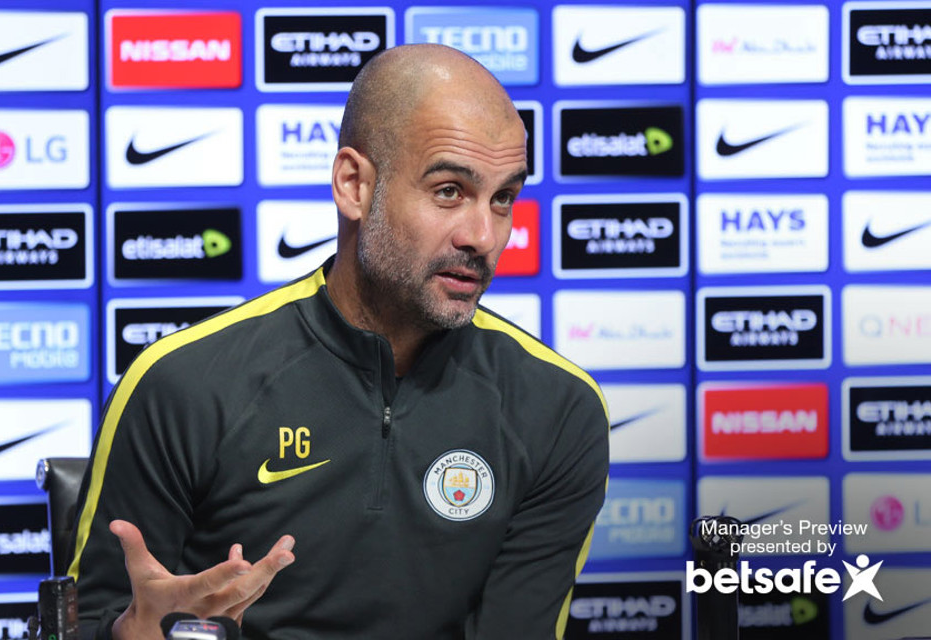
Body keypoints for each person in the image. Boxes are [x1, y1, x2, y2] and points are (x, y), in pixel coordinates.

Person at [68, 44, 609, 640]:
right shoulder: (183, 383)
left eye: (503, 198)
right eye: (450, 190)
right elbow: (92, 619)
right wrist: (124, 635)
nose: (484, 235)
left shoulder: (557, 408)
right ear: (354, 185)